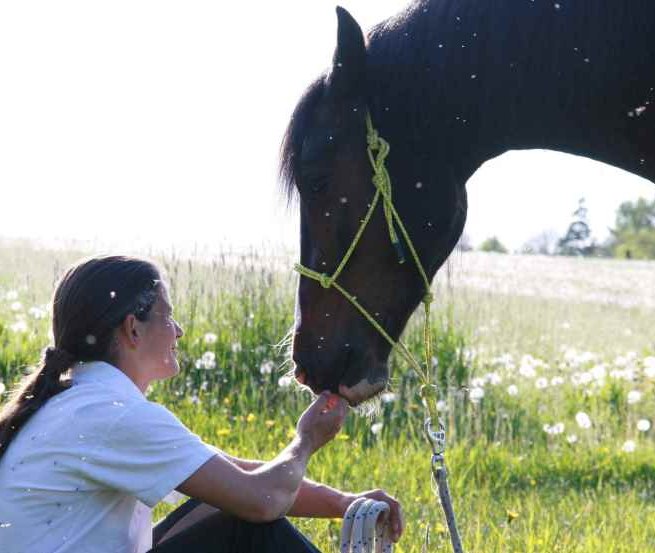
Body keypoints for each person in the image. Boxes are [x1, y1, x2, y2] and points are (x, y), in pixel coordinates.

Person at [0, 255, 404, 552]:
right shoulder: (109, 414)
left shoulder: (83, 401)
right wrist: (306, 440)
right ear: (132, 329)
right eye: (168, 316)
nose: (179, 330)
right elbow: (262, 499)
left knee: (229, 513)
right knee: (251, 526)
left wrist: (344, 502)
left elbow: (235, 474)